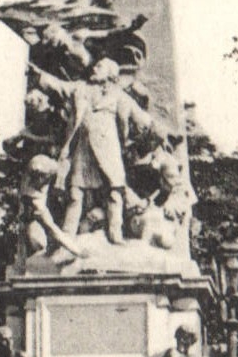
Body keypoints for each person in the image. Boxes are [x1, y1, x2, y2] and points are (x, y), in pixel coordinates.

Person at [30, 57, 165, 244]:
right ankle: (67, 235)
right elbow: (60, 86)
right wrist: (39, 76)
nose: (94, 68)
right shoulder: (81, 88)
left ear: (110, 73)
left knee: (114, 194)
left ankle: (115, 234)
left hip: (108, 151)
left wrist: (158, 131)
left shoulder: (119, 96)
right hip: (82, 150)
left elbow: (139, 116)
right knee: (75, 194)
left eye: (99, 66)